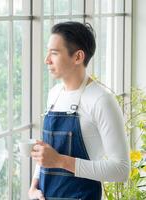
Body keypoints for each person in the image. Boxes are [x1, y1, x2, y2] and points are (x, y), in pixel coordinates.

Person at [28, 21, 130, 200]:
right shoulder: (54, 94)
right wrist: (33, 186)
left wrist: (60, 161)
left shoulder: (101, 101)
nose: (47, 60)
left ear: (78, 57)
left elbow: (121, 170)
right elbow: (47, 153)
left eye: (54, 52)